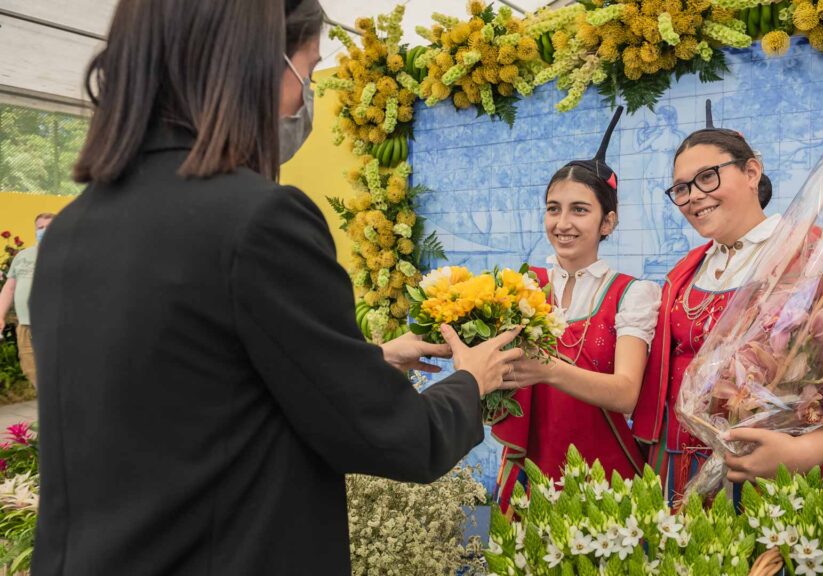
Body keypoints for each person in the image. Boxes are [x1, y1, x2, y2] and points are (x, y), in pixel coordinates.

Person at [29, 1, 520, 574]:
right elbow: (394, 437)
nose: (303, 99)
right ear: (254, 64)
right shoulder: (257, 221)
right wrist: (470, 382)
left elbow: (186, 386)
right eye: (307, 74)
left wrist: (370, 359)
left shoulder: (70, 231)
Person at [631, 103, 823, 511]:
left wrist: (802, 455)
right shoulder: (683, 271)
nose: (693, 196)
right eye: (682, 188)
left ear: (752, 172)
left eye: (707, 177)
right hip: (684, 470)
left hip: (788, 475)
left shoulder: (820, 255)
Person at [492, 107, 660, 507]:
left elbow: (625, 394)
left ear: (608, 223)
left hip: (607, 480)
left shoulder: (631, 294)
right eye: (553, 208)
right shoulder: (524, 287)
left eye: (579, 210)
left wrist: (548, 370)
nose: (562, 222)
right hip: (529, 473)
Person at [0, 213, 54, 387]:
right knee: (30, 369)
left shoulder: (67, 255)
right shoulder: (22, 256)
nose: (44, 231)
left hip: (54, 325)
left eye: (49, 227)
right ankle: (50, 408)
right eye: (40, 227)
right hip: (25, 325)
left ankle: (62, 409)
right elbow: (9, 288)